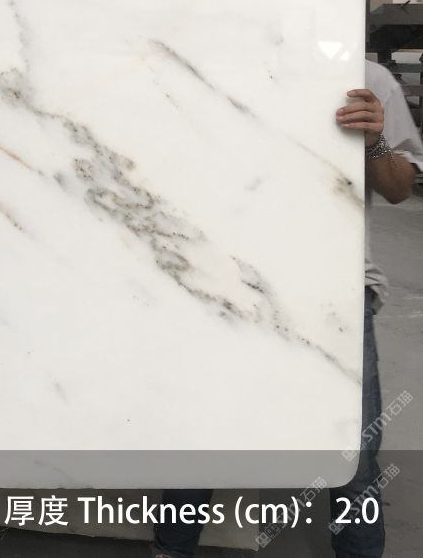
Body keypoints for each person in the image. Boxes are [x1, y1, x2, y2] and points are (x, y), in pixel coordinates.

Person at [151, 59, 422, 558]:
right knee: (201, 435)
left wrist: (374, 142)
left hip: (334, 292)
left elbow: (399, 188)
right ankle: (173, 549)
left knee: (353, 455)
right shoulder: (212, 57)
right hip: (222, 281)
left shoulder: (365, 78)